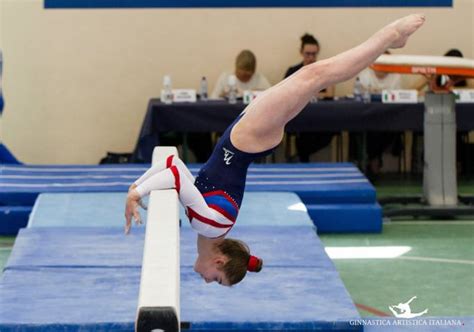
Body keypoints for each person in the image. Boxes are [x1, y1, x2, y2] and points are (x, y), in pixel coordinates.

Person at [125, 14, 425, 286]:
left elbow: (173, 163)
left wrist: (138, 186)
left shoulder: (206, 227)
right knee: (318, 75)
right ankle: (389, 36)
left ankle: (389, 37)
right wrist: (137, 194)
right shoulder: (208, 224)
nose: (207, 281)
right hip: (248, 137)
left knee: (317, 76)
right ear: (220, 260)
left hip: (247, 137)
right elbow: (176, 176)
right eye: (217, 279)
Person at [284, 34, 336, 162]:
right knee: (301, 131)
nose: (311, 57)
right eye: (308, 54)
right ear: (301, 52)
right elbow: (285, 94)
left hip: (320, 117)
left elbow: (330, 93)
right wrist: (315, 94)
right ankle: (301, 157)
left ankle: (300, 156)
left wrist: (306, 93)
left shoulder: (324, 71)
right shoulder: (292, 71)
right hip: (297, 117)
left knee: (333, 128)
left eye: (314, 54)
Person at [356, 51, 403, 175]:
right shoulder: (365, 74)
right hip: (368, 116)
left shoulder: (396, 75)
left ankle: (374, 160)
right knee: (370, 129)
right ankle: (373, 160)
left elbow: (397, 97)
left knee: (389, 128)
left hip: (390, 116)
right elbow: (360, 94)